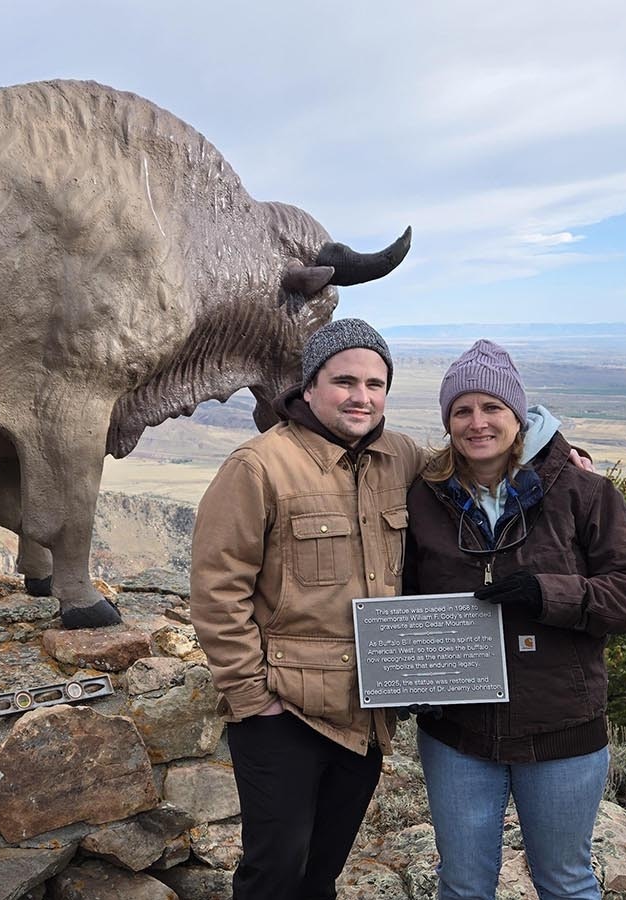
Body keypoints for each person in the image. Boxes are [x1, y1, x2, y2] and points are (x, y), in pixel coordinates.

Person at [403, 339, 626, 900]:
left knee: (566, 883)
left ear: (518, 415)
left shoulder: (581, 490)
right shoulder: (422, 498)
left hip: (562, 731)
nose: (478, 423)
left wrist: (550, 594)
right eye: (462, 411)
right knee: (462, 885)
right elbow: (398, 593)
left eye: (492, 408)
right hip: (457, 733)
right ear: (447, 420)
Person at [190, 318, 423, 899]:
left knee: (322, 873)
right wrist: (252, 699)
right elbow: (218, 588)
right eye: (344, 380)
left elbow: (477, 462)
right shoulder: (259, 466)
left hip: (365, 711)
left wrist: (553, 451)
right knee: (274, 874)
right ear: (310, 386)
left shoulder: (402, 457)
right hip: (284, 713)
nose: (360, 396)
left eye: (374, 383)